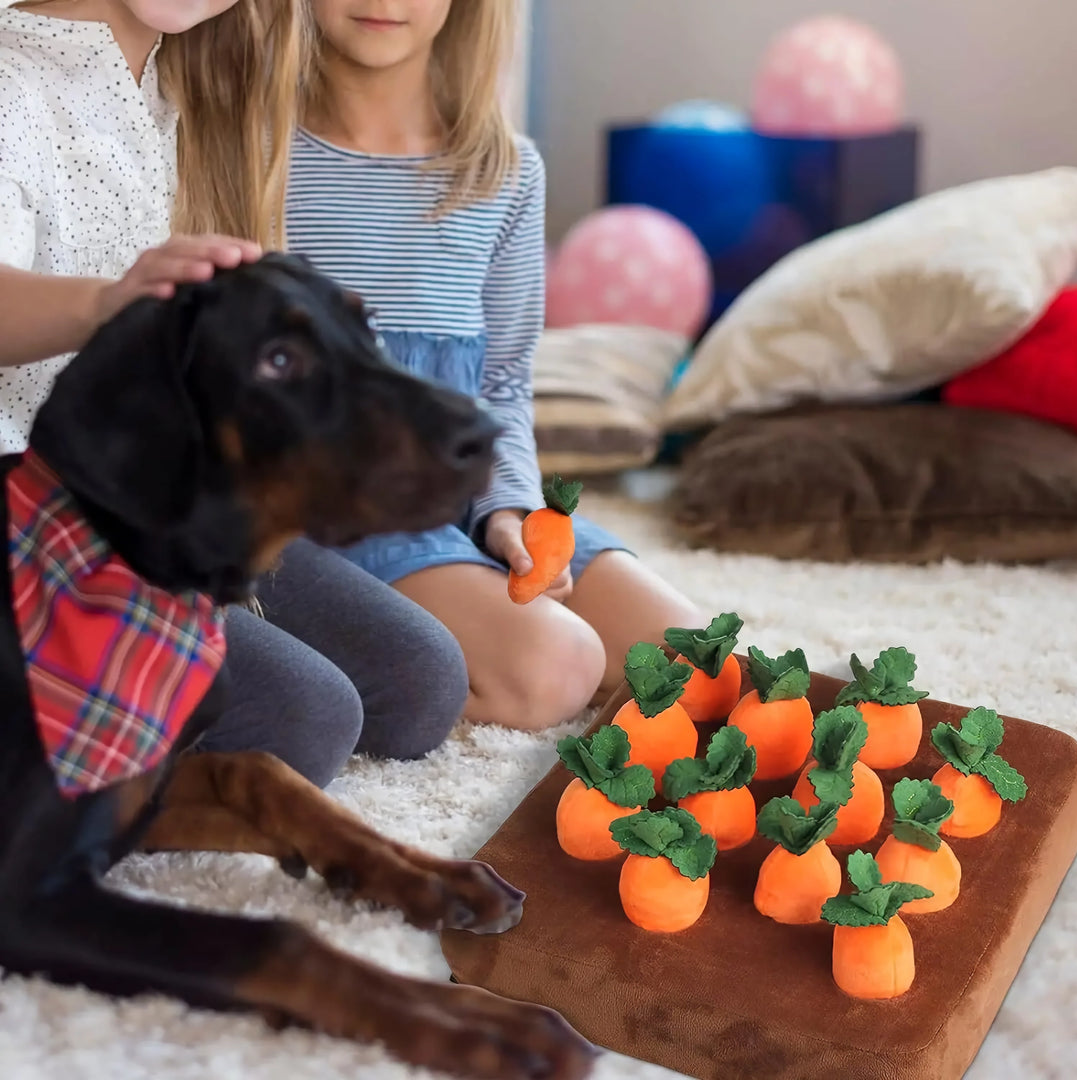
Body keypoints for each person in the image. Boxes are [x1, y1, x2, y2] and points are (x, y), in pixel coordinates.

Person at [0, 0, 469, 787]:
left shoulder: (185, 88)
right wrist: (103, 303)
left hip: (159, 501)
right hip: (29, 502)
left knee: (421, 681)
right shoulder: (10, 77)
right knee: (304, 720)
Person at [288, 0, 703, 734]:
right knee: (555, 670)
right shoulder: (257, 152)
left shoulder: (505, 170)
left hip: (466, 491)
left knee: (693, 658)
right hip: (340, 510)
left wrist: (507, 511)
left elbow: (503, 381)